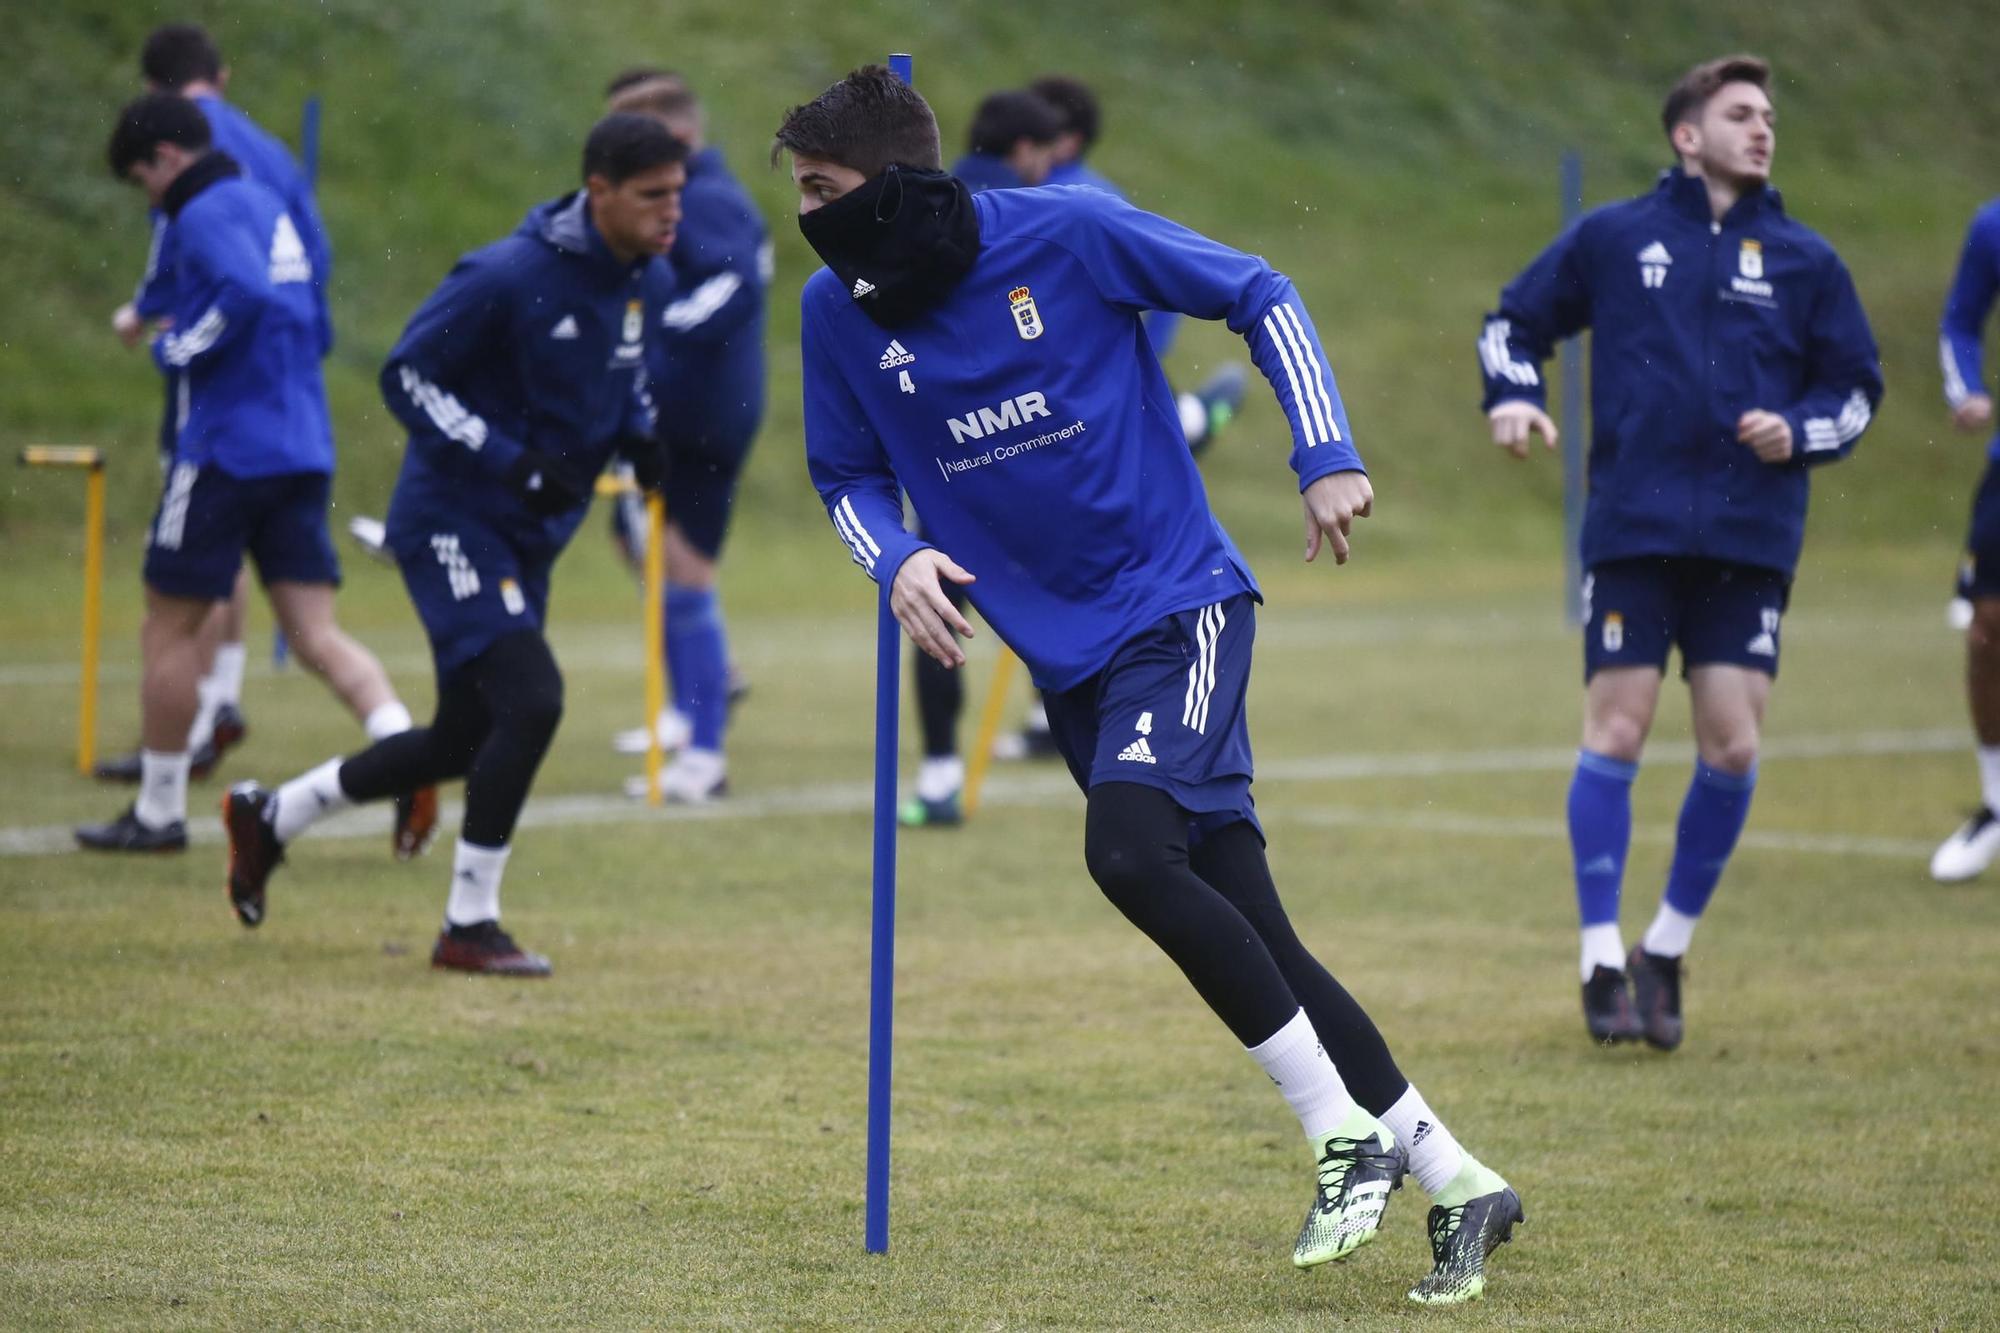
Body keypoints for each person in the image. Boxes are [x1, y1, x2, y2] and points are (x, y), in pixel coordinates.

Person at [779, 65, 1521, 1306]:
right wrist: (894, 554)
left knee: (1125, 854)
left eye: (821, 189)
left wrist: (1323, 453)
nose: (804, 214)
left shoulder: (1066, 229)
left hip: (1179, 609)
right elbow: (841, 477)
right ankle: (1455, 1178)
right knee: (1251, 921)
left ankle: (1340, 1136)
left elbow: (1257, 292)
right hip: (1064, 656)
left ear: (899, 185)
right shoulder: (830, 310)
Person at [1479, 55, 1883, 1048]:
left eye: (1767, 117)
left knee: (1732, 745)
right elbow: (1511, 323)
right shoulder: (1616, 237)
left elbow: (1856, 390)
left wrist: (1801, 432)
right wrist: (1514, 394)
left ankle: (1664, 947)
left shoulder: (1804, 261)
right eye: (1738, 113)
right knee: (1615, 728)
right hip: (1632, 526)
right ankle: (1597, 960)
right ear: (1683, 134)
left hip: (1749, 537)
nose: (1760, 129)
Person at [222, 114, 686, 976]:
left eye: (679, 194)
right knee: (534, 699)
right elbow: (406, 375)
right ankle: (468, 923)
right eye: (654, 196)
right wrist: (509, 461)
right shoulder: (508, 275)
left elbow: (622, 377)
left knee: (459, 742)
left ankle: (272, 815)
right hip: (452, 523)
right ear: (599, 191)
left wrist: (639, 434)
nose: (673, 213)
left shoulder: (643, 279)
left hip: (529, 538)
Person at [80, 94, 418, 854]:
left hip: (226, 450)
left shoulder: (197, 215)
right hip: (302, 444)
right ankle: (405, 753)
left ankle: (159, 811)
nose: (151, 198)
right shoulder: (265, 199)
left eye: (144, 181)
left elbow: (243, 292)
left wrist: (176, 346)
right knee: (315, 632)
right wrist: (149, 310)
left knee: (168, 626)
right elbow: (276, 289)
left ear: (167, 158)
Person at [97, 23, 337, 786]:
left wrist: (166, 335)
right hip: (294, 398)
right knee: (298, 610)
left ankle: (187, 734)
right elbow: (314, 256)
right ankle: (221, 701)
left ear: (152, 92)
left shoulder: (183, 162)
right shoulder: (266, 149)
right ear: (221, 76)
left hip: (221, 400)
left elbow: (201, 271)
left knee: (187, 569)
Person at [598, 70, 772, 803]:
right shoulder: (682, 198)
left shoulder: (708, 200)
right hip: (669, 411)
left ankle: (705, 752)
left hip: (705, 415)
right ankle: (686, 706)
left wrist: (654, 337)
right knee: (633, 537)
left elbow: (736, 288)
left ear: (673, 138)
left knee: (683, 573)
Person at [1929, 197, 2000, 881]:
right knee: (1987, 629)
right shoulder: (1993, 224)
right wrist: (1967, 390)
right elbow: (1960, 322)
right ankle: (1997, 801)